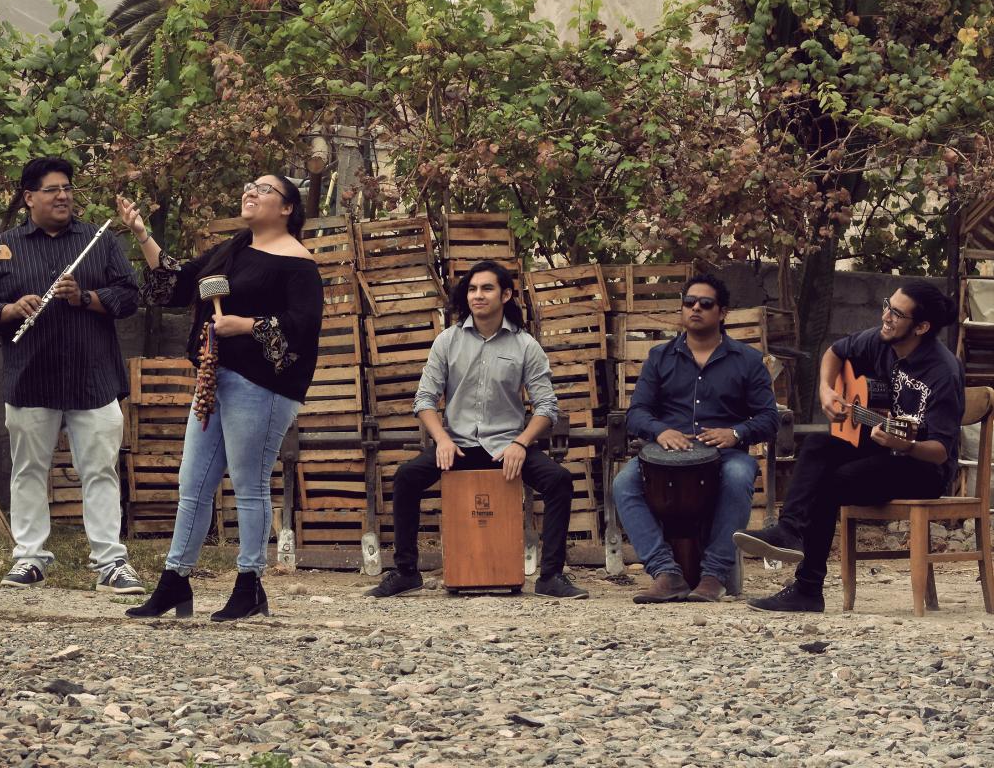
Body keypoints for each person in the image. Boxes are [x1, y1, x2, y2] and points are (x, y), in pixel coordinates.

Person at [122, 175, 323, 621]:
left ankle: (249, 585)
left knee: (248, 484)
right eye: (249, 185)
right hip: (217, 378)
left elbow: (304, 326)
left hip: (263, 387)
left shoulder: (299, 263)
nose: (251, 191)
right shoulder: (232, 248)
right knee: (192, 482)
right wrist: (142, 233)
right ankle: (175, 582)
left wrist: (246, 325)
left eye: (264, 189)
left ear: (287, 207)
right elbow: (178, 283)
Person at [0, 156, 145, 594]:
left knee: (100, 469)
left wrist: (85, 297)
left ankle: (110, 562)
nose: (63, 196)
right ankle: (30, 559)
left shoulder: (97, 242)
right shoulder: (2, 247)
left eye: (67, 188)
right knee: (28, 469)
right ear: (29, 198)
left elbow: (128, 297)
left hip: (93, 374)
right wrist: (10, 309)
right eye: (52, 189)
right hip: (31, 375)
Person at [735, 280, 964, 613]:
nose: (885, 315)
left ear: (922, 327)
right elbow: (835, 352)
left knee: (832, 481)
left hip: (925, 468)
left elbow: (941, 451)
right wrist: (826, 391)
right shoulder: (882, 341)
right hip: (885, 446)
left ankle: (808, 589)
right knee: (817, 445)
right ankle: (788, 530)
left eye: (896, 313)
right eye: (888, 305)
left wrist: (907, 444)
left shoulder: (942, 371)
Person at [365, 260, 587, 600]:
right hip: (459, 446)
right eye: (472, 289)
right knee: (407, 477)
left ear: (506, 294)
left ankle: (551, 577)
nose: (478, 295)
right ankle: (407, 572)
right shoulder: (447, 341)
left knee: (558, 481)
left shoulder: (525, 345)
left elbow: (547, 408)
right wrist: (441, 439)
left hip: (506, 447)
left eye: (487, 288)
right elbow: (424, 399)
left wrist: (521, 443)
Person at [612, 274, 780, 603]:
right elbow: (637, 413)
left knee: (739, 474)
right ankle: (666, 573)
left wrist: (735, 433)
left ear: (722, 312)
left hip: (724, 455)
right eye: (689, 303)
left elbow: (768, 419)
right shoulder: (660, 357)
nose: (696, 309)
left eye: (705, 303)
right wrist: (661, 431)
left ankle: (714, 576)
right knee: (623, 483)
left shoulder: (747, 361)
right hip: (664, 456)